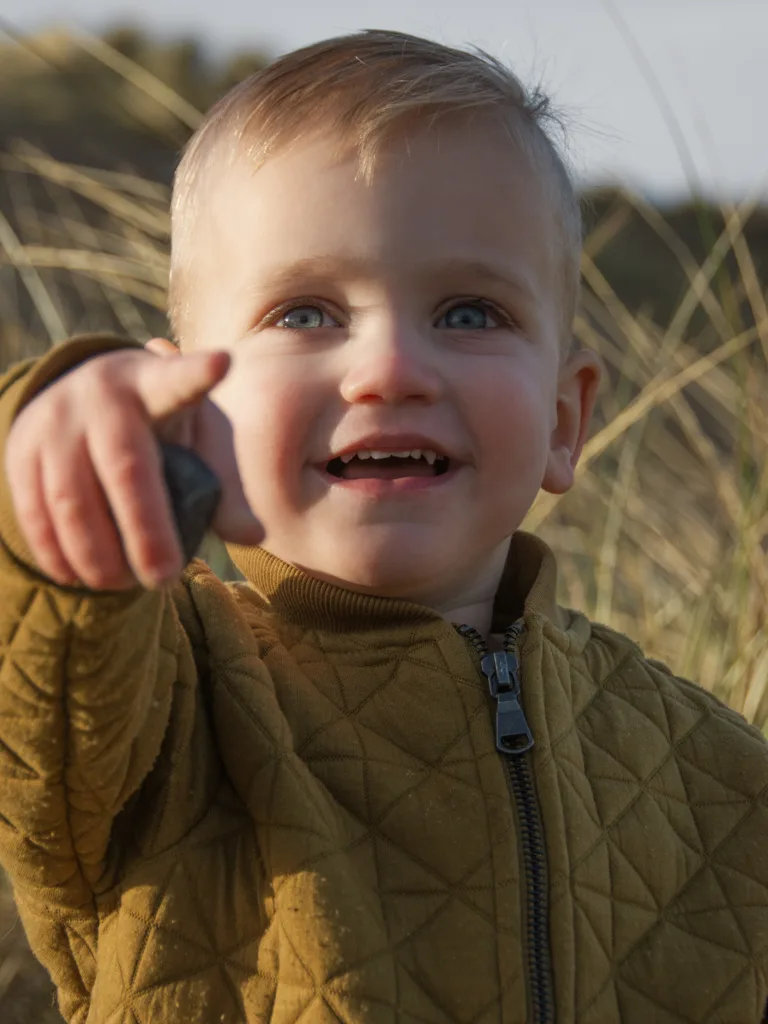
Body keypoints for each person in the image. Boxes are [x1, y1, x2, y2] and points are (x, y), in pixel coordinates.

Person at [0, 29, 766, 1024]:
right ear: (186, 405)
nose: (390, 367)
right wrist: (48, 448)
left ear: (566, 420)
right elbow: (33, 643)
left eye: (468, 312)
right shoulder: (159, 697)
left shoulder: (708, 769)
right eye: (306, 313)